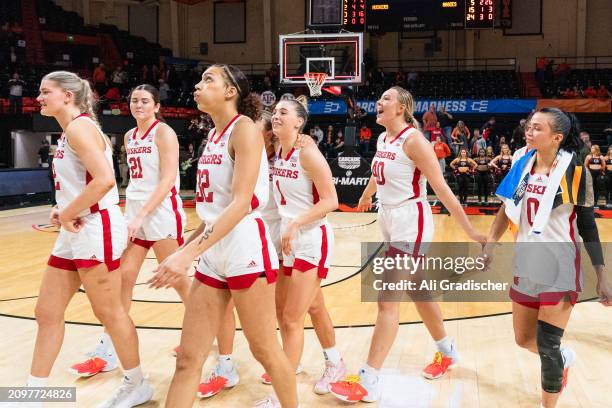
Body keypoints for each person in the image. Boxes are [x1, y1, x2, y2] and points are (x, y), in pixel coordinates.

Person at [148, 64, 297, 408]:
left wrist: (186, 254)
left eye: (208, 80)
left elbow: (241, 204)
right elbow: (214, 212)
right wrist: (185, 249)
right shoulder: (212, 136)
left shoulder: (243, 130)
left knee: (265, 351)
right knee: (188, 358)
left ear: (231, 92)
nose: (198, 86)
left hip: (245, 246)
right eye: (199, 79)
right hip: (214, 251)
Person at [329, 86, 486, 403]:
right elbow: (378, 168)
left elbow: (441, 189)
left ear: (402, 107)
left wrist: (470, 229)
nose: (379, 102)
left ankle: (369, 380)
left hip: (410, 223)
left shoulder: (415, 141)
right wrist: (366, 194)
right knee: (419, 289)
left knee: (387, 301)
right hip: (389, 219)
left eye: (386, 98)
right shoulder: (383, 138)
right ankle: (448, 351)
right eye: (380, 98)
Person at [30, 71, 153, 407]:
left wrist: (69, 212)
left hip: (94, 228)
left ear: (67, 96)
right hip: (76, 228)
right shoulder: (72, 130)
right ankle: (33, 394)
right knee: (47, 311)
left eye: (45, 92)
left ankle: (136, 383)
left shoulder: (79, 128)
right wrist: (65, 209)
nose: (38, 97)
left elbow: (104, 180)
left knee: (110, 313)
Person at [484, 108, 612, 408]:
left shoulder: (575, 169)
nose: (529, 131)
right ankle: (565, 358)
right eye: (529, 126)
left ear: (557, 137)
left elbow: (587, 224)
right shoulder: (520, 161)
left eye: (537, 128)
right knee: (523, 339)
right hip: (526, 261)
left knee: (547, 344)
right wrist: (490, 243)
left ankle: (548, 401)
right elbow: (507, 208)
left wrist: (602, 275)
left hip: (561, 263)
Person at [69, 84, 189, 376]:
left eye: (145, 101)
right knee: (123, 278)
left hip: (160, 212)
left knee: (178, 280)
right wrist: (133, 214)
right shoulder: (129, 135)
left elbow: (168, 179)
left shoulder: (164, 133)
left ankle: (202, 331)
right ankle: (109, 348)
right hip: (135, 211)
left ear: (157, 106)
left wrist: (143, 214)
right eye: (135, 100)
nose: (139, 105)